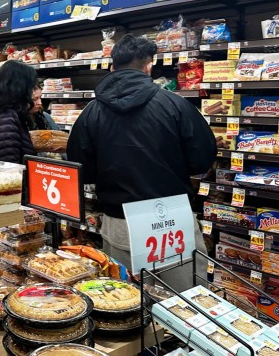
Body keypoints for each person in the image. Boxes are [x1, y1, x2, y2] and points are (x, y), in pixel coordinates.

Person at [66, 34, 216, 290]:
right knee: (188, 305)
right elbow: (202, 160)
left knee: (125, 304)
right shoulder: (175, 105)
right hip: (171, 220)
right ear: (149, 66)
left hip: (119, 221)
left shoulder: (91, 112)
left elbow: (81, 169)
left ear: (112, 67)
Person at [0, 61, 38, 163]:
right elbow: (10, 163)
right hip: (11, 177)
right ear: (21, 87)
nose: (32, 91)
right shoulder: (7, 117)